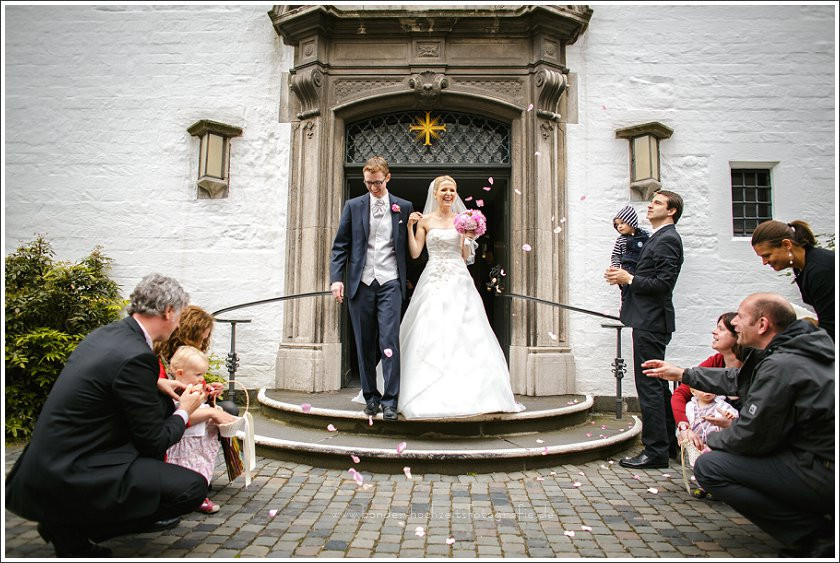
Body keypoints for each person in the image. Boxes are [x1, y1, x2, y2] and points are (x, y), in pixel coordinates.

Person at [4, 274, 208, 557]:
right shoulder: (138, 355)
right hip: (76, 467)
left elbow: (107, 380)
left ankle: (68, 534)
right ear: (168, 312)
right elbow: (154, 441)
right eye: (179, 315)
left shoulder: (108, 334)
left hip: (47, 460)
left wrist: (156, 382)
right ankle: (71, 527)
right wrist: (185, 409)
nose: (178, 323)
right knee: (192, 488)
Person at [642, 293, 835, 558]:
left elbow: (753, 437)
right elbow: (740, 380)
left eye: (740, 318)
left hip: (824, 469)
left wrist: (712, 442)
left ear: (763, 325)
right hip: (819, 458)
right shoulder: (799, 349)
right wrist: (684, 374)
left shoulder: (781, 363)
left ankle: (815, 535)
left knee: (711, 467)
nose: (736, 324)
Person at [354, 175, 524, 419]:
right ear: (435, 193)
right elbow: (414, 253)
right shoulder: (426, 220)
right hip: (433, 278)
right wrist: (411, 227)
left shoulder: (462, 220)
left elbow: (465, 256)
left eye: (452, 190)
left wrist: (468, 238)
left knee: (465, 333)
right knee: (429, 330)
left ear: (456, 194)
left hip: (459, 279)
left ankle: (469, 391)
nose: (448, 194)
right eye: (444, 189)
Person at [330, 155, 414, 421]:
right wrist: (337, 278)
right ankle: (371, 397)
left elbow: (410, 248)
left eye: (377, 183)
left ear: (387, 178)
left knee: (388, 341)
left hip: (390, 282)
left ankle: (390, 400)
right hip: (361, 283)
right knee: (364, 342)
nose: (372, 188)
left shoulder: (404, 206)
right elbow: (340, 246)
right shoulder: (353, 206)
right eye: (368, 183)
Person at [604, 190, 684, 469]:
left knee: (649, 386)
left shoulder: (668, 239)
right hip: (647, 319)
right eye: (651, 203)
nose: (650, 206)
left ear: (672, 211)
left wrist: (630, 278)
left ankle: (655, 451)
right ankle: (670, 445)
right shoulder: (657, 237)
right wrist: (623, 278)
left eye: (658, 203)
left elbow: (663, 284)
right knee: (658, 387)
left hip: (652, 321)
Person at [164, 346, 238, 514]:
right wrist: (210, 413)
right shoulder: (175, 392)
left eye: (203, 374)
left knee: (202, 463)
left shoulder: (192, 386)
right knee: (186, 466)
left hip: (199, 438)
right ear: (180, 373)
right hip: (186, 439)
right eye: (198, 375)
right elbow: (184, 414)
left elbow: (200, 403)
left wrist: (208, 394)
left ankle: (197, 494)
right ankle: (190, 496)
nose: (201, 378)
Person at [751, 219, 835, 341]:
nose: (764, 262)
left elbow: (831, 330)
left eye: (767, 255)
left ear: (786, 245)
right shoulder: (802, 267)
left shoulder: (820, 270)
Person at [672, 312, 744, 454]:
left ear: (737, 336)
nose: (714, 332)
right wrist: (684, 426)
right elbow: (680, 393)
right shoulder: (715, 362)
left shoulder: (752, 368)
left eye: (721, 329)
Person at [609, 204, 649, 300]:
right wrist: (615, 268)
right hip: (626, 270)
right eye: (617, 224)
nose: (620, 227)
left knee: (641, 295)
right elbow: (616, 255)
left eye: (622, 223)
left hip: (642, 270)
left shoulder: (645, 236)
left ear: (631, 222)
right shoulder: (621, 240)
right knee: (627, 295)